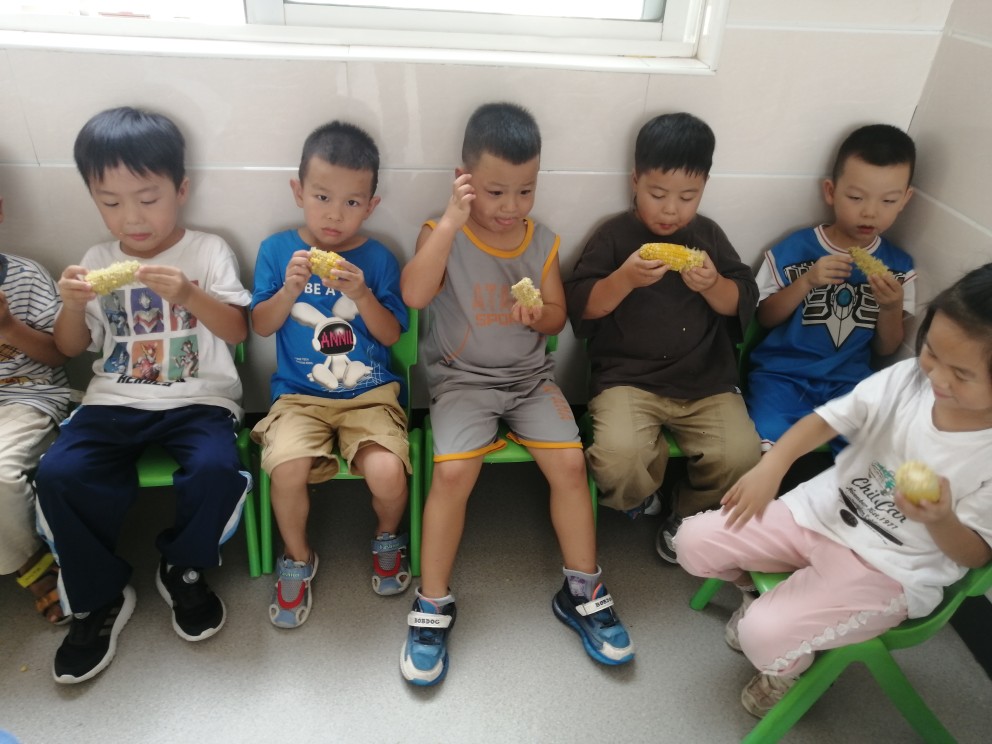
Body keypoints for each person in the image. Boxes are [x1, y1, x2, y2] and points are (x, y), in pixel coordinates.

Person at [676, 262, 992, 718]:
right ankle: (759, 595)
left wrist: (941, 519)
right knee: (692, 541)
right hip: (819, 511)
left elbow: (976, 555)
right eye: (932, 352)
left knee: (761, 638)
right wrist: (774, 465)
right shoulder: (909, 379)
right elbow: (829, 420)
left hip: (890, 566)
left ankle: (787, 668)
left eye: (961, 374)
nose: (937, 377)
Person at [399, 102, 633, 686]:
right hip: (461, 381)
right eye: (495, 192)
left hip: (530, 381)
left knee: (571, 465)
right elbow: (415, 295)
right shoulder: (441, 233)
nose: (510, 207)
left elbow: (557, 317)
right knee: (454, 474)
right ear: (464, 180)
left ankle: (582, 589)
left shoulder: (541, 240)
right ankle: (432, 601)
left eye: (525, 191)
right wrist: (450, 222)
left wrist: (538, 316)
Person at [34, 107, 252, 684]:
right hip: (113, 400)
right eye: (110, 202)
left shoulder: (208, 250)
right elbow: (69, 347)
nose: (131, 217)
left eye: (148, 198)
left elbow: (237, 331)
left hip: (198, 399)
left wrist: (189, 294)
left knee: (217, 470)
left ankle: (183, 567)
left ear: (181, 190)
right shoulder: (98, 260)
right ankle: (98, 594)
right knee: (58, 475)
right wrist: (72, 305)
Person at [564, 112, 761, 563]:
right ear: (635, 180)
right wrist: (624, 279)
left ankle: (688, 515)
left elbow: (743, 299)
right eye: (657, 194)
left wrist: (714, 285)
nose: (671, 209)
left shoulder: (708, 235)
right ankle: (640, 497)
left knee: (741, 456)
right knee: (617, 458)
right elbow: (583, 304)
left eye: (687, 197)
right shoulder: (614, 236)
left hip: (705, 380)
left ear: (704, 187)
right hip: (628, 380)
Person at [251, 121, 411, 629]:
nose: (335, 214)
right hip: (299, 397)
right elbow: (261, 326)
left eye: (351, 202)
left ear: (371, 205)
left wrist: (362, 294)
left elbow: (391, 335)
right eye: (322, 197)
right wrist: (288, 291)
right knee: (286, 469)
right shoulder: (277, 251)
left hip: (370, 394)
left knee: (387, 471)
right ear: (298, 192)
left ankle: (387, 536)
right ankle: (298, 556)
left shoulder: (378, 259)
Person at [745, 124, 917, 456]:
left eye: (888, 200)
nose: (870, 211)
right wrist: (806, 282)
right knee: (764, 440)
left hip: (850, 383)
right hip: (783, 376)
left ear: (905, 200)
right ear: (831, 191)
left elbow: (887, 348)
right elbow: (764, 317)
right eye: (856, 197)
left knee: (877, 449)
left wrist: (891, 306)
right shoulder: (794, 250)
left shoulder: (899, 268)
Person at [0, 195, 72, 624]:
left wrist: (8, 327)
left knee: (0, 476)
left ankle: (33, 565)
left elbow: (59, 354)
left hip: (27, 395)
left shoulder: (25, 277)